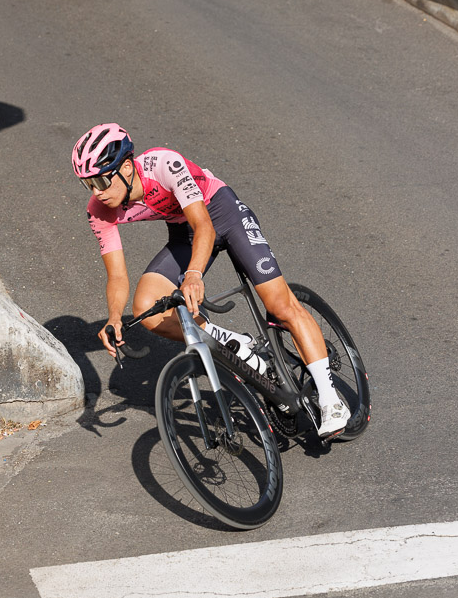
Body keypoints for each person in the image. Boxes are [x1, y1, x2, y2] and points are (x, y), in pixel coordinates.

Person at [72, 123, 352, 440]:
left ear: (125, 167)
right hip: (184, 233)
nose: (96, 192)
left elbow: (204, 224)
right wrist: (113, 318)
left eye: (100, 180)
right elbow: (117, 275)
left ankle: (332, 402)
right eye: (88, 184)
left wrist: (193, 275)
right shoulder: (99, 210)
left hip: (221, 213)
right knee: (145, 308)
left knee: (280, 305)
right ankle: (240, 346)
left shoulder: (163, 164)